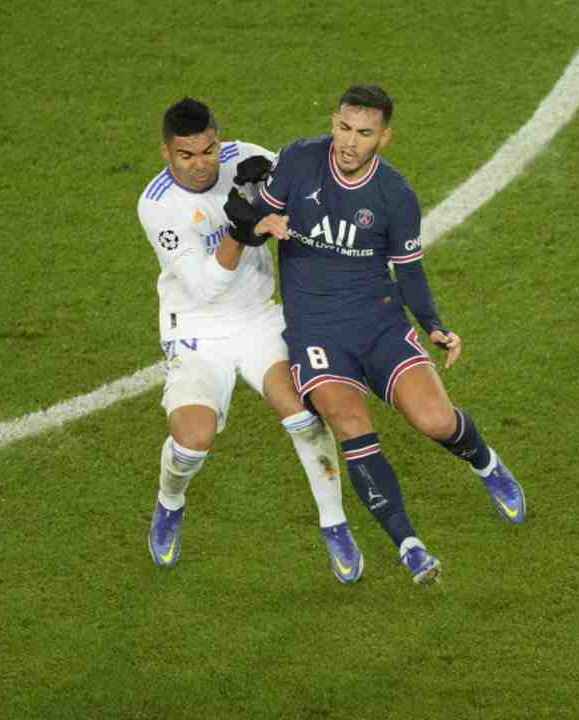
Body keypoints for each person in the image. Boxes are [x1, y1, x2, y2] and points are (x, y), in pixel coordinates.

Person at [223, 84, 527, 585]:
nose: (348, 142)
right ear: (334, 122)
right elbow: (252, 218)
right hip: (316, 330)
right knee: (350, 425)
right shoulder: (299, 161)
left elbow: (409, 273)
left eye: (363, 133)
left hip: (378, 322)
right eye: (343, 127)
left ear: (384, 138)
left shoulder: (395, 196)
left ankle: (486, 463)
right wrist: (258, 222)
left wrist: (434, 325)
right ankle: (409, 546)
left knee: (435, 420)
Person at [136, 97, 364, 583]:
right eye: (187, 155)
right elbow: (204, 287)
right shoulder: (157, 206)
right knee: (192, 443)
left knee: (304, 414)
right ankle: (170, 501)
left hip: (258, 317)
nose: (201, 165)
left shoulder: (246, 158)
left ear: (218, 140)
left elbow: (308, 192)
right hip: (196, 327)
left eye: (209, 150)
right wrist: (242, 226)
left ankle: (335, 524)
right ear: (166, 154)